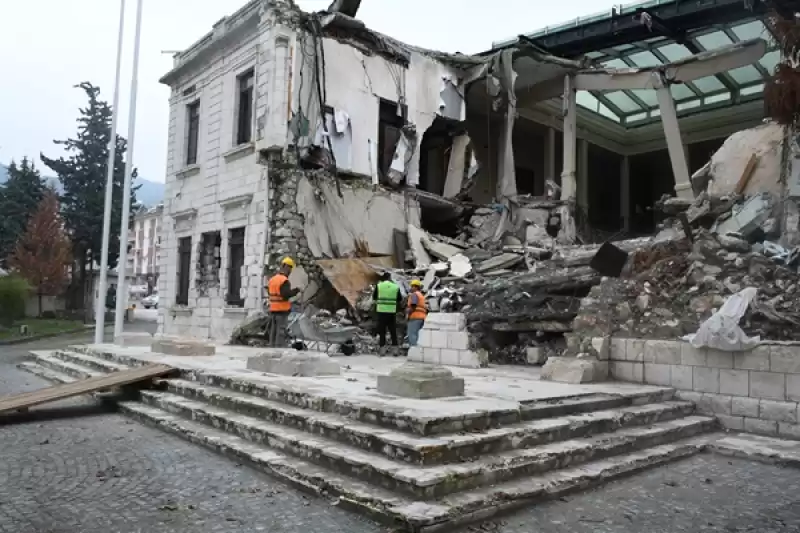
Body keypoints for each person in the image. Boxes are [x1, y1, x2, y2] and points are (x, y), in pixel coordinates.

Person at [267, 257, 300, 347]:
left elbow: (271, 293)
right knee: (281, 331)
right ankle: (279, 349)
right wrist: (296, 290)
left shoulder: (272, 279)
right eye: (290, 269)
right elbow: (285, 294)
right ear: (286, 267)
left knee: (273, 331)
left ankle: (272, 347)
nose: (290, 272)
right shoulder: (284, 281)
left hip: (273, 309)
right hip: (282, 310)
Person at [373, 272, 401, 356]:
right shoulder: (395, 286)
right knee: (393, 331)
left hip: (381, 312)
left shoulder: (379, 286)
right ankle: (395, 351)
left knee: (382, 331)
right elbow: (399, 298)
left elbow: (374, 297)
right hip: (391, 311)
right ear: (390, 278)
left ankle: (382, 351)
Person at [406, 279, 427, 346]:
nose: (411, 288)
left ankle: (414, 351)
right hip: (422, 317)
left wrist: (408, 314)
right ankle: (418, 352)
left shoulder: (414, 294)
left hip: (415, 317)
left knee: (412, 334)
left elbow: (413, 305)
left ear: (416, 287)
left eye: (412, 286)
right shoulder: (421, 295)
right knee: (418, 335)